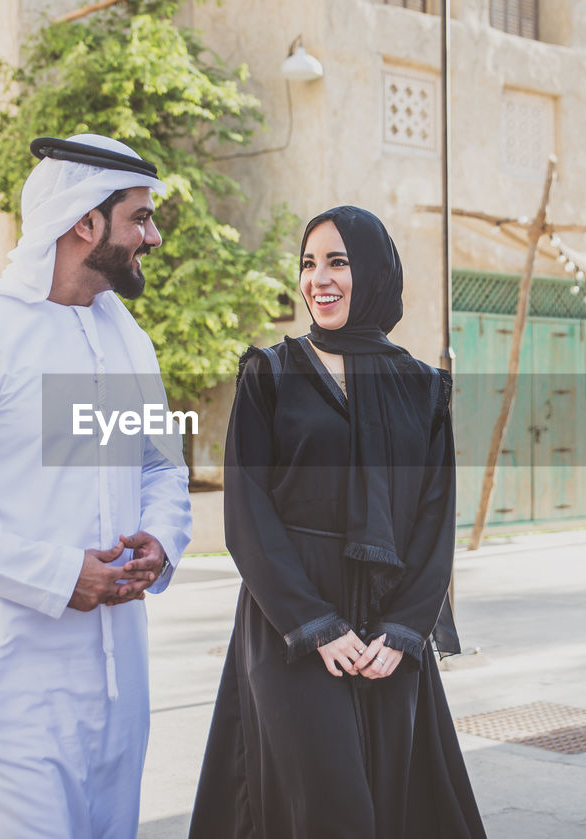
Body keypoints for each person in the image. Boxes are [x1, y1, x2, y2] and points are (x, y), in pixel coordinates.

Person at [0, 134, 192, 838]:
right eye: (140, 218)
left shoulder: (128, 337)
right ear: (85, 222)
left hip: (120, 696)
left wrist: (162, 542)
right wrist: (58, 575)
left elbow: (159, 466)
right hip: (10, 695)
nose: (155, 235)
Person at [188, 206, 487, 838]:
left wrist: (407, 631)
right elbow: (246, 512)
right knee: (329, 805)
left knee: (392, 802)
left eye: (338, 261)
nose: (318, 279)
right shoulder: (269, 375)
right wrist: (314, 625)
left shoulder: (424, 388)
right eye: (308, 263)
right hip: (290, 623)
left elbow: (435, 518)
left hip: (387, 627)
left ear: (374, 272)